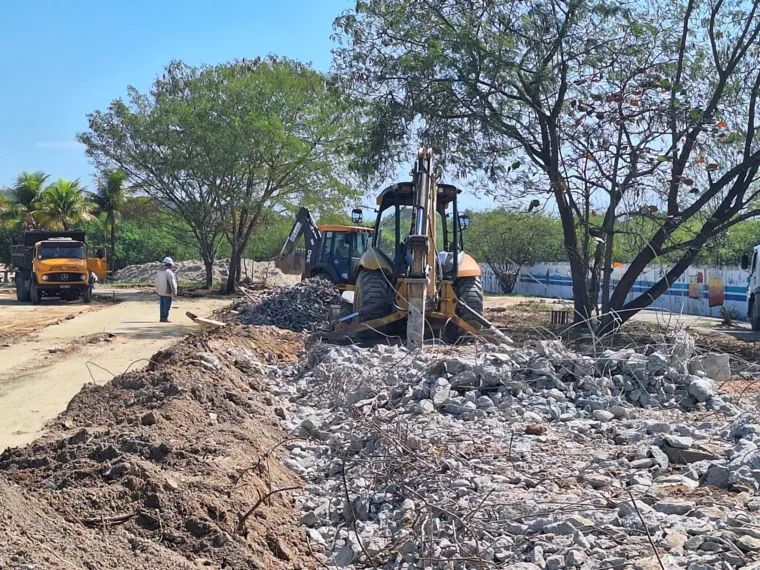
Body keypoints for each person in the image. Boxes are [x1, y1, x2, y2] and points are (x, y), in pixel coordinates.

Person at [155, 257, 178, 323]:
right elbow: (172, 283)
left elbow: (156, 282)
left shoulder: (159, 272)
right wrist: (175, 291)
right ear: (169, 264)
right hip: (167, 292)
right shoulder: (169, 272)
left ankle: (162, 317)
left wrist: (157, 290)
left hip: (160, 291)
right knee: (166, 306)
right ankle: (164, 318)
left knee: (162, 305)